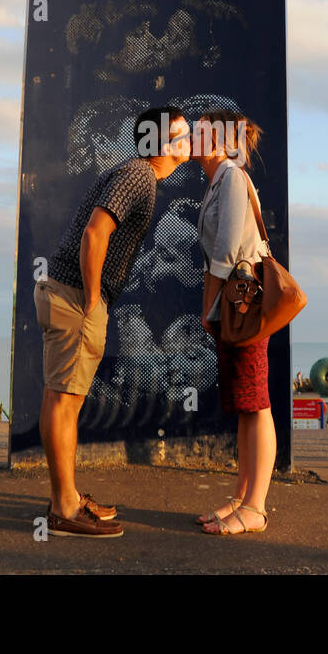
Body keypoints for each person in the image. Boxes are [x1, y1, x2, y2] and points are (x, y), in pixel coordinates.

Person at [36, 105, 193, 537]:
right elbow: (94, 233)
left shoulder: (139, 175)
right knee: (65, 402)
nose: (190, 139)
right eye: (182, 132)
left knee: (60, 399)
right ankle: (64, 509)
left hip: (65, 293)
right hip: (75, 298)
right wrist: (92, 299)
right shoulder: (139, 175)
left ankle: (64, 497)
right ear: (161, 142)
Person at [192, 110, 274, 534]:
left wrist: (209, 305)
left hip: (244, 299)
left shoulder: (233, 177)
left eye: (200, 129)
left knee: (257, 402)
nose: (192, 134)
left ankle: (256, 507)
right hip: (237, 299)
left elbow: (225, 249)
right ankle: (242, 497)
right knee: (244, 402)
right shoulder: (220, 181)